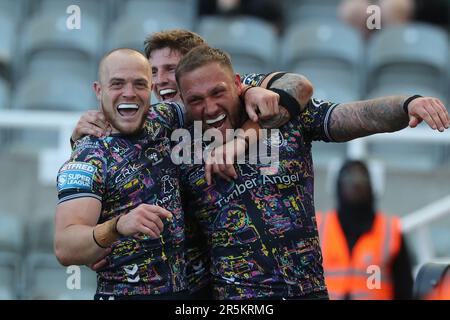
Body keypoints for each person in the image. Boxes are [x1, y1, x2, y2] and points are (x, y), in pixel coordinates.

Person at [175, 44, 449, 300]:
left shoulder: (286, 116)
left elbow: (357, 116)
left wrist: (407, 104)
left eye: (218, 92)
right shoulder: (178, 146)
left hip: (308, 292)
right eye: (196, 100)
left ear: (238, 84)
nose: (209, 108)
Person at [316, 160, 413, 300]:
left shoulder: (390, 231)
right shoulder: (318, 226)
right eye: (349, 178)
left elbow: (404, 288)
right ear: (338, 185)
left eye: (362, 178)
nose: (356, 184)